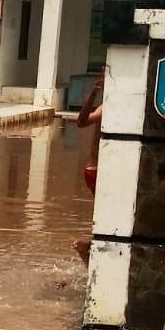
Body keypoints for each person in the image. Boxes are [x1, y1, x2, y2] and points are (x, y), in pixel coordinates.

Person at [73, 75, 103, 267]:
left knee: (102, 218)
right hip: (97, 171)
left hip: (100, 172)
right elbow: (81, 122)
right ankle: (87, 249)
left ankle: (88, 255)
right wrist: (93, 94)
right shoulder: (105, 108)